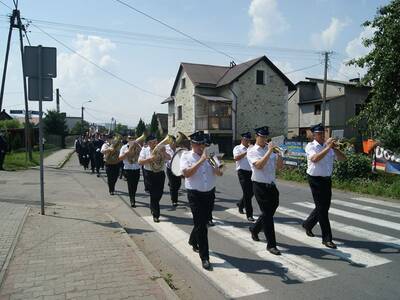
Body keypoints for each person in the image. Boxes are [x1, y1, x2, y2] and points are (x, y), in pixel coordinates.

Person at [180, 131, 223, 270]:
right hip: (195, 194)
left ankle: (193, 240)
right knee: (202, 226)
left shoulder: (210, 155)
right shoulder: (186, 156)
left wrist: (216, 166)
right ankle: (205, 257)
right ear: (192, 144)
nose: (201, 147)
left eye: (202, 144)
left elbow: (219, 173)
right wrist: (201, 160)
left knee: (203, 222)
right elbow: (186, 173)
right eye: (198, 144)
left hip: (209, 193)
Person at [302, 123, 346, 249]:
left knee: (324, 207)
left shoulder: (330, 148)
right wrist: (327, 148)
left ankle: (308, 224)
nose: (321, 136)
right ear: (314, 135)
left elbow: (343, 159)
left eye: (323, 133)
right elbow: (315, 159)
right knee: (322, 209)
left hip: (327, 180)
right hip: (315, 179)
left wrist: (336, 149)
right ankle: (327, 238)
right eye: (319, 134)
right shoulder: (310, 146)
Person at [247, 126, 283, 256]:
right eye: (262, 137)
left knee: (269, 212)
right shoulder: (252, 151)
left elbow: (279, 167)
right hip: (259, 186)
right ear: (257, 136)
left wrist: (279, 155)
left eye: (266, 137)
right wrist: (269, 152)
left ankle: (255, 229)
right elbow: (259, 165)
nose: (264, 139)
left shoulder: (272, 151)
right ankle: (271, 245)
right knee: (267, 215)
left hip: (272, 186)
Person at [138, 134, 171, 222]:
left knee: (159, 194)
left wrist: (164, 153)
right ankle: (156, 214)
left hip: (160, 173)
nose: (155, 144)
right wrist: (150, 159)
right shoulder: (145, 150)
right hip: (149, 173)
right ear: (148, 143)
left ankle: (153, 206)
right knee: (154, 194)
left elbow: (169, 158)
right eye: (153, 142)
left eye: (156, 141)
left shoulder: (161, 149)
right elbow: (140, 162)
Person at [233, 132, 255, 221]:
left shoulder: (252, 148)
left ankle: (241, 204)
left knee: (252, 192)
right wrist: (247, 151)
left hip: (252, 172)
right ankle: (249, 214)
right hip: (242, 172)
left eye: (249, 140)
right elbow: (236, 158)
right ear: (242, 140)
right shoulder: (237, 148)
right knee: (247, 193)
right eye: (246, 140)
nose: (247, 141)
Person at [119, 136, 141, 207]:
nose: (132, 140)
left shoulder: (138, 146)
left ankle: (133, 195)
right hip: (128, 169)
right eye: (130, 138)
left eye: (133, 138)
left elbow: (143, 155)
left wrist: (138, 147)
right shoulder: (124, 147)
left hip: (136, 168)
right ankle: (132, 199)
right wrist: (128, 152)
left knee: (135, 185)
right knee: (130, 185)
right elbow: (120, 158)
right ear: (127, 139)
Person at [165, 137, 181, 206]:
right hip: (170, 168)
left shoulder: (178, 148)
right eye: (173, 142)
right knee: (173, 185)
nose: (174, 143)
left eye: (175, 142)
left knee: (178, 184)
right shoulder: (166, 148)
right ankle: (174, 200)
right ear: (170, 142)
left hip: (177, 168)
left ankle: (170, 184)